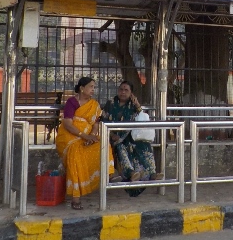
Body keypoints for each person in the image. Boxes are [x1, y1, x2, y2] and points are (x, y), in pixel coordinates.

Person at [55, 77, 115, 210]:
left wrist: (92, 136)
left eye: (94, 87)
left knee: (103, 145)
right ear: (82, 88)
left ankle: (109, 175)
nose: (93, 89)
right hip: (69, 137)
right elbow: (67, 123)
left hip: (87, 136)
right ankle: (75, 198)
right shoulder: (72, 102)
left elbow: (96, 123)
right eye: (91, 86)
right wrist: (84, 136)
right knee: (76, 153)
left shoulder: (94, 104)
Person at [101, 80, 161, 197]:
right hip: (115, 138)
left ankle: (152, 173)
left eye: (126, 90)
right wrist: (111, 134)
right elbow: (102, 121)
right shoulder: (111, 103)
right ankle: (131, 172)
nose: (123, 92)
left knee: (145, 146)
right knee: (121, 146)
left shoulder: (133, 105)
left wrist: (138, 105)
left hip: (131, 136)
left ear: (131, 93)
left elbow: (142, 117)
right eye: (121, 89)